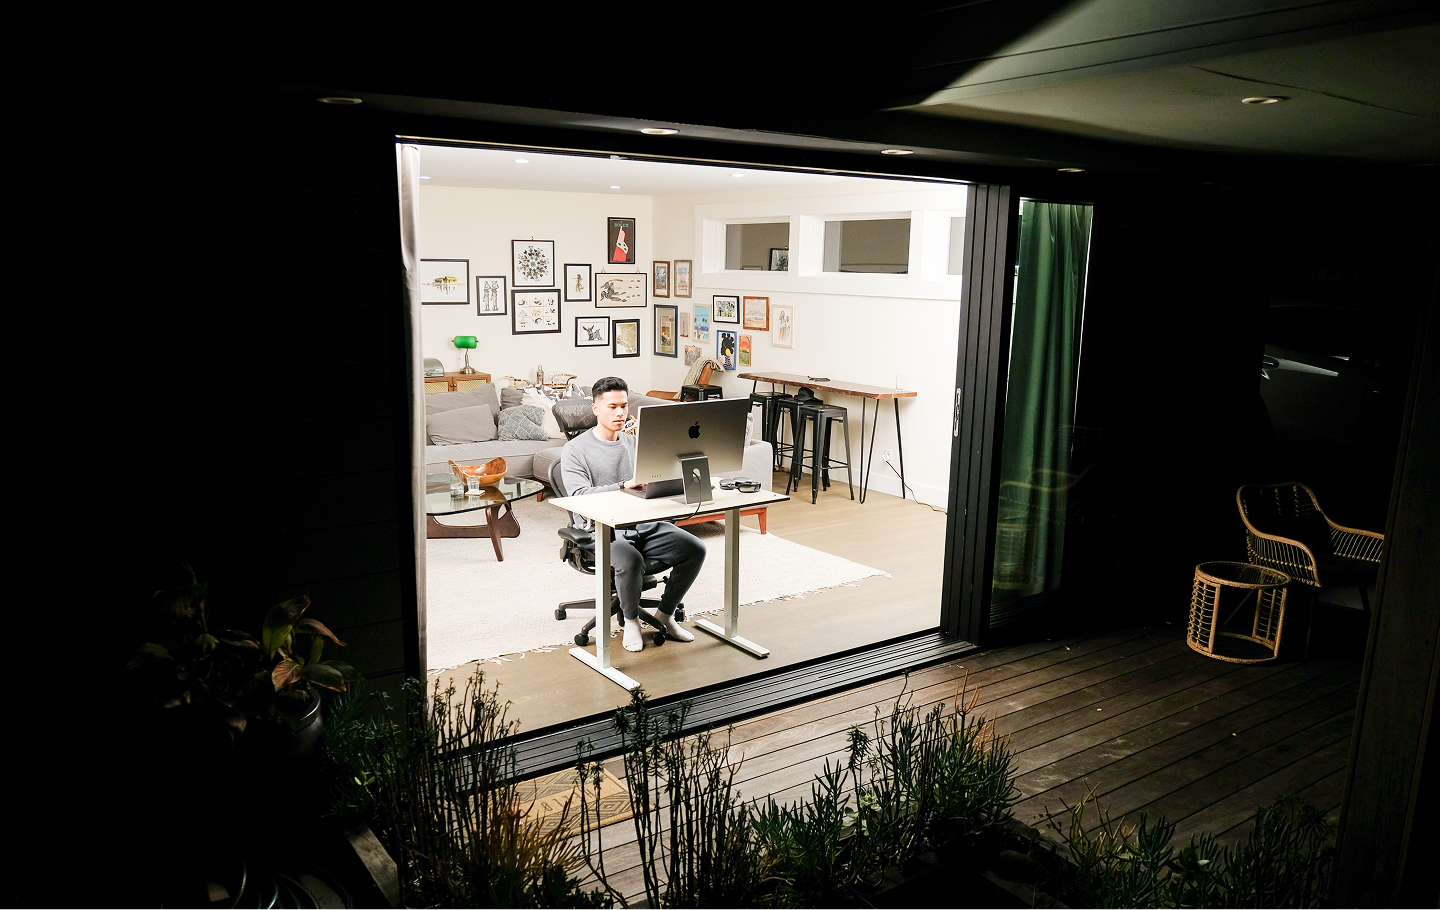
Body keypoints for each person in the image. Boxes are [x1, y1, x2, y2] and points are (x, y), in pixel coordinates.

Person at [560, 377, 704, 651]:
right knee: (630, 559)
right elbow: (579, 498)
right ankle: (632, 621)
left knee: (695, 548)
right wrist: (622, 486)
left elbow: (655, 482)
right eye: (612, 406)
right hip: (600, 531)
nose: (619, 413)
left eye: (624, 406)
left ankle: (665, 615)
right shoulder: (574, 450)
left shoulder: (635, 443)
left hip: (643, 523)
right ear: (595, 409)